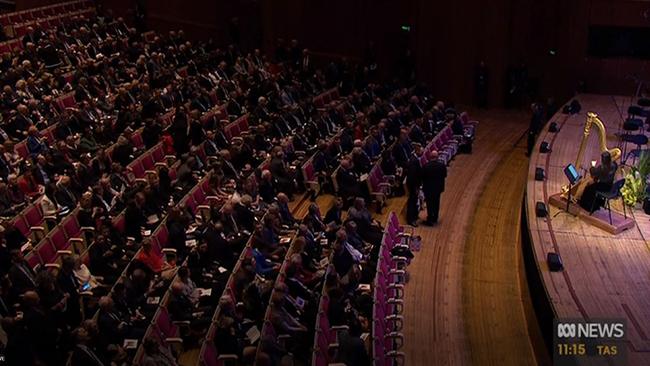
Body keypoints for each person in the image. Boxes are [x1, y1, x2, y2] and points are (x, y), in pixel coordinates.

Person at [421, 151, 447, 225]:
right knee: (436, 202)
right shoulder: (441, 166)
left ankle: (430, 219)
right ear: (437, 157)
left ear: (430, 157)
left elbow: (422, 177)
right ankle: (435, 217)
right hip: (438, 188)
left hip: (428, 189)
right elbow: (445, 175)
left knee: (429, 204)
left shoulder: (426, 166)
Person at [405, 144, 423, 226]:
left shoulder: (414, 159)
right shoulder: (413, 161)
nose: (422, 151)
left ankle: (415, 216)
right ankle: (411, 219)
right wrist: (416, 187)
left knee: (414, 200)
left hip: (414, 184)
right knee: (412, 201)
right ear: (417, 150)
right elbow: (412, 176)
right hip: (413, 185)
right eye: (420, 150)